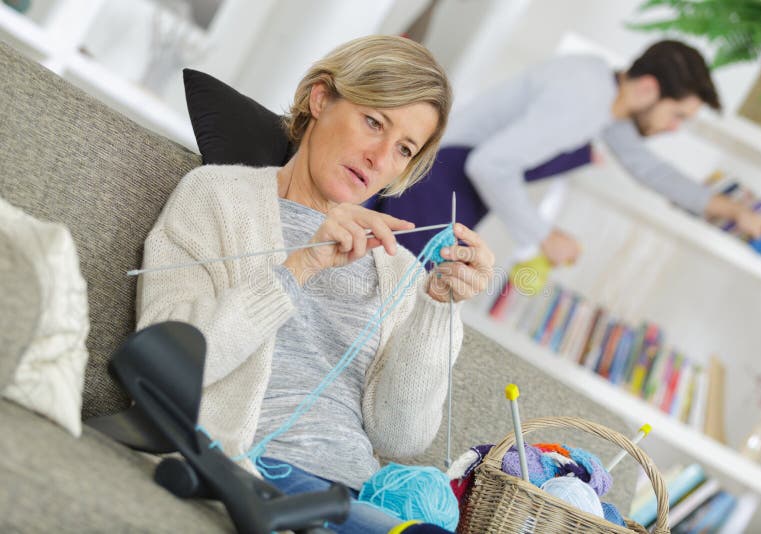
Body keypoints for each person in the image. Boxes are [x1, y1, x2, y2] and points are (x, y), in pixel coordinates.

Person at [136, 35, 494, 533]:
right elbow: (168, 364)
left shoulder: (398, 269)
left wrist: (435, 308)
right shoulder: (218, 198)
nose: (378, 158)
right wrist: (298, 268)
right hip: (256, 469)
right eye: (374, 122)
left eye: (403, 149)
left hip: (359, 491)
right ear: (321, 98)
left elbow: (402, 437)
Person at [369, 40, 761, 265]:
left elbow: (648, 168)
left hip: (443, 187)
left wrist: (732, 211)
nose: (673, 129)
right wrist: (545, 235)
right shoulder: (584, 100)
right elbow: (490, 164)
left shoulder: (603, 92)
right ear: (648, 89)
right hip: (436, 188)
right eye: (676, 116)